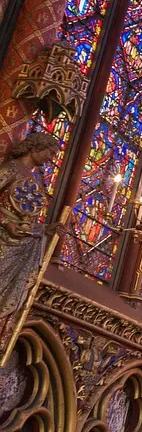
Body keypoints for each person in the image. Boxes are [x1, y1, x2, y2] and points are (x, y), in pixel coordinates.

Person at [0, 133, 59, 355]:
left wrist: (49, 230)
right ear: (36, 147)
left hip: (21, 246)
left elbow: (27, 220)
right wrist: (6, 223)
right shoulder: (11, 169)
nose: (51, 158)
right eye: (50, 152)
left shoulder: (36, 181)